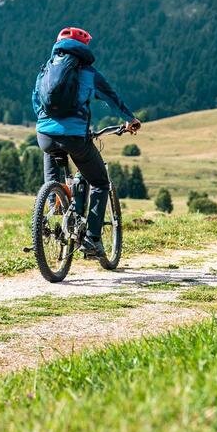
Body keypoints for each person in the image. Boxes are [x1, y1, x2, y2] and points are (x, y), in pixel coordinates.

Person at [31, 27, 140, 262]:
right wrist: (130, 120)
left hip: (45, 135)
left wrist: (47, 123)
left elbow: (35, 101)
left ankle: (53, 205)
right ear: (84, 48)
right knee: (100, 182)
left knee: (52, 166)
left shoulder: (45, 70)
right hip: (75, 136)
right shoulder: (89, 73)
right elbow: (112, 98)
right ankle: (91, 238)